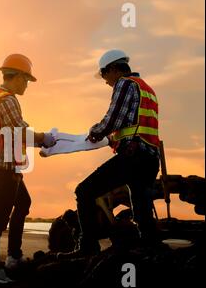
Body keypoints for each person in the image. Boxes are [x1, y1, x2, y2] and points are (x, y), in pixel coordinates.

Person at [58, 49, 160, 259]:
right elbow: (134, 124)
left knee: (84, 191)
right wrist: (113, 139)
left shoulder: (125, 84)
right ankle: (150, 249)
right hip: (150, 158)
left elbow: (113, 119)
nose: (105, 81)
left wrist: (94, 133)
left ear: (113, 69)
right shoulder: (147, 89)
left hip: (133, 156)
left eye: (104, 75)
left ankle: (88, 247)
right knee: (141, 206)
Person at [0, 54, 56, 288]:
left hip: (7, 169)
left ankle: (13, 257)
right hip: (3, 171)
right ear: (16, 77)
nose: (27, 85)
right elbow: (19, 131)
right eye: (26, 80)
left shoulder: (2, 98)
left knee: (23, 203)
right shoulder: (7, 100)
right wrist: (44, 138)